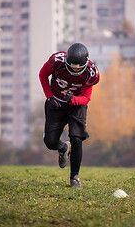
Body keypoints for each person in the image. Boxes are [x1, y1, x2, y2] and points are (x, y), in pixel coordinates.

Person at [39, 43, 99, 189]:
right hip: (56, 103)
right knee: (50, 142)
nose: (74, 70)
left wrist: (72, 99)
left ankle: (75, 177)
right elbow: (43, 74)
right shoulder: (57, 61)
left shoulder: (90, 73)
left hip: (76, 105)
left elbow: (86, 98)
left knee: (77, 138)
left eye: (78, 68)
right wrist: (49, 96)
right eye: (72, 66)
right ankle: (63, 148)